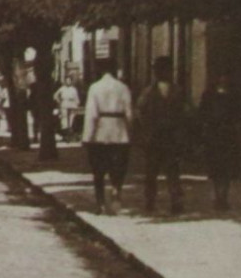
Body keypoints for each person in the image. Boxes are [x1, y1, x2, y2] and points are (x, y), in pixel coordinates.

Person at [135, 55, 190, 215]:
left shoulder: (150, 92)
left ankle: (165, 201)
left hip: (164, 137)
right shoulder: (176, 91)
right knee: (165, 170)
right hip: (161, 137)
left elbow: (139, 113)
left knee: (159, 171)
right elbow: (186, 113)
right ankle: (160, 200)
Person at [83, 57, 132, 214]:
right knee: (118, 167)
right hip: (119, 132)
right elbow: (129, 114)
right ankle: (116, 190)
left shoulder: (95, 88)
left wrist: (87, 137)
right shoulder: (123, 88)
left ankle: (101, 203)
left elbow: (91, 115)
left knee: (98, 170)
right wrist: (130, 132)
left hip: (101, 133)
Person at [197, 73, 240, 211]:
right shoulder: (208, 95)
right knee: (215, 167)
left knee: (227, 167)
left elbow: (238, 115)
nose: (223, 78)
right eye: (220, 76)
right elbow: (202, 113)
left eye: (225, 76)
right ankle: (217, 195)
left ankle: (224, 197)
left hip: (228, 135)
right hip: (213, 135)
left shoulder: (233, 95)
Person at [54, 77, 82, 143]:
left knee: (72, 119)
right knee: (64, 120)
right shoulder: (62, 88)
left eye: (69, 80)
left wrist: (77, 104)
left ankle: (71, 135)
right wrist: (59, 101)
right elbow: (55, 95)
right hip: (64, 104)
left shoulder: (73, 89)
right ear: (65, 81)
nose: (68, 82)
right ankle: (65, 136)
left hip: (72, 104)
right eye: (67, 80)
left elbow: (76, 98)